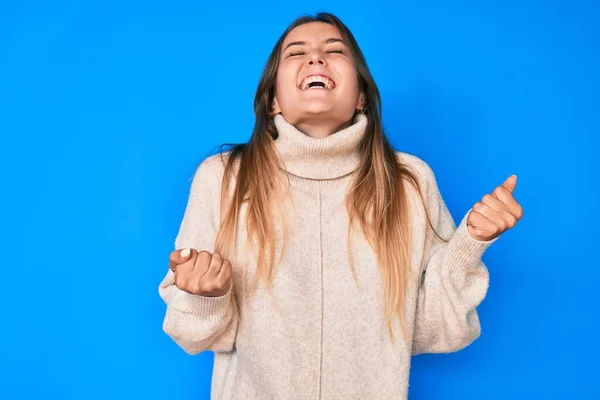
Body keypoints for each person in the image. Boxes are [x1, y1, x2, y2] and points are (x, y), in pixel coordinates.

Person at [158, 12, 523, 400]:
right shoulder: (224, 180)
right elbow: (194, 335)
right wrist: (205, 295)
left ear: (361, 96)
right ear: (274, 100)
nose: (316, 59)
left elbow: (432, 331)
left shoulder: (408, 182)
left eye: (334, 50)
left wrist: (471, 242)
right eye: (296, 53)